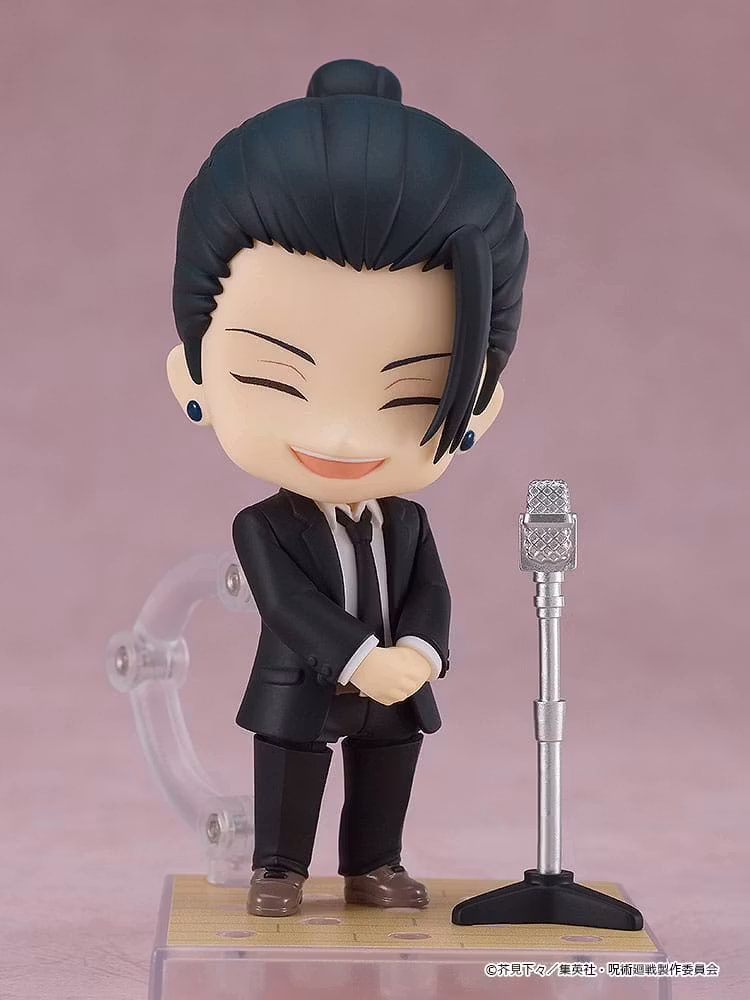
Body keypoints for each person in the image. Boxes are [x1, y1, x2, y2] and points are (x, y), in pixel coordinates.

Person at [165, 58, 528, 917]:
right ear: (192, 377)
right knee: (291, 777)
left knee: (387, 777)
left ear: (480, 405)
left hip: (397, 687)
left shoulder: (409, 522)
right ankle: (279, 869)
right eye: (276, 379)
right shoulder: (263, 526)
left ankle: (375, 866)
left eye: (412, 394)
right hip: (305, 686)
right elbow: (289, 605)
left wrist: (421, 655)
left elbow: (431, 591)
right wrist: (366, 659)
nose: (342, 436)